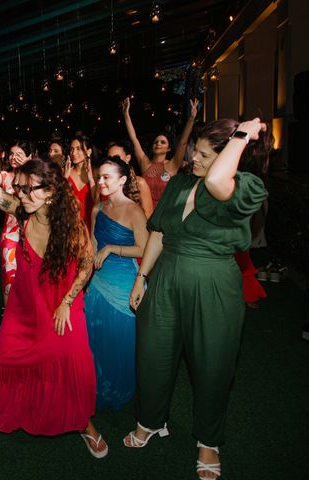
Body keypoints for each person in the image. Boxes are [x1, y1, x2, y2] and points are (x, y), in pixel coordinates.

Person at [0, 119, 108, 458]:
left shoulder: (70, 225)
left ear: (50, 192)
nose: (21, 194)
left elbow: (86, 265)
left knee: (68, 357)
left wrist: (67, 302)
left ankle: (84, 423)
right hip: (26, 299)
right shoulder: (21, 211)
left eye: (29, 189)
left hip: (62, 299)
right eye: (20, 188)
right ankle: (26, 405)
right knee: (12, 354)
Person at [127, 118, 270, 480]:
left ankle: (209, 440)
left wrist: (243, 134)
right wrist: (142, 277)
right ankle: (150, 420)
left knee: (212, 365)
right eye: (195, 150)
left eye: (205, 153)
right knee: (152, 354)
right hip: (165, 278)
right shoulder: (180, 183)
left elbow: (218, 181)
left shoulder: (245, 186)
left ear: (229, 156)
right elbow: (159, 231)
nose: (194, 158)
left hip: (213, 284)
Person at [84, 156, 149, 411]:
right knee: (97, 338)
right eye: (99, 176)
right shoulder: (97, 209)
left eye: (106, 177)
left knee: (121, 340)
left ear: (122, 180)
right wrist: (86, 280)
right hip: (98, 284)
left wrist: (112, 248)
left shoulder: (134, 210)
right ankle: (98, 384)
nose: (100, 181)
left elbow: (145, 248)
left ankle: (120, 388)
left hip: (125, 283)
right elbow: (92, 248)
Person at [122, 97, 199, 207]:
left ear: (169, 148)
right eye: (156, 142)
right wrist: (126, 115)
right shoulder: (145, 163)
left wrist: (191, 118)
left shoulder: (172, 165)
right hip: (145, 212)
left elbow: (183, 142)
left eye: (163, 142)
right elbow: (134, 139)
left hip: (164, 213)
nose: (158, 144)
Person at [0, 140, 34, 305]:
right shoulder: (5, 176)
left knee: (30, 280)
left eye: (20, 154)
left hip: (32, 234)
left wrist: (28, 168)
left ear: (30, 157)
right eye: (12, 153)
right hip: (11, 235)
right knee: (9, 280)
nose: (14, 157)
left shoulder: (35, 178)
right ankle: (9, 320)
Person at [106, 141, 154, 218]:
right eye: (109, 158)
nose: (112, 161)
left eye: (116, 157)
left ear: (128, 158)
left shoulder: (139, 183)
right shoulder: (105, 183)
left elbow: (148, 214)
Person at [65, 133, 98, 231]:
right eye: (72, 149)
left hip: (91, 226)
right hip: (69, 225)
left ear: (89, 151)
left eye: (78, 149)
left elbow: (98, 203)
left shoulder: (97, 173)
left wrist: (91, 179)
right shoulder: (66, 172)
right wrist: (65, 178)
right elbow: (60, 201)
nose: (73, 153)